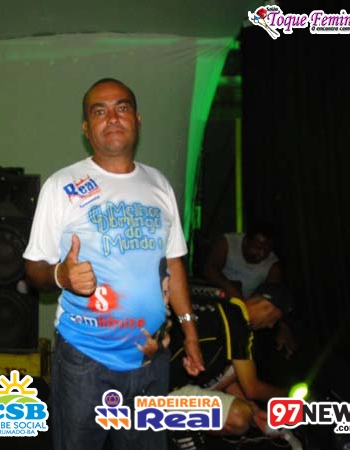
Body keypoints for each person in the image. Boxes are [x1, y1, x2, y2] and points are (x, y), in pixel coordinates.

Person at [23, 78, 204, 450]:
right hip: (85, 361)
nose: (112, 118)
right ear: (86, 128)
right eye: (99, 111)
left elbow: (173, 264)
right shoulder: (61, 185)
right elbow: (33, 268)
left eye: (122, 108)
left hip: (151, 358)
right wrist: (61, 275)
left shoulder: (159, 184)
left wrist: (190, 333)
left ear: (137, 119)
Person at [166, 282, 294, 448]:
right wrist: (289, 395)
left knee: (236, 370)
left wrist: (255, 412)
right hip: (160, 390)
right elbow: (252, 388)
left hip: (150, 374)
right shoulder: (239, 321)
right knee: (240, 417)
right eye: (275, 319)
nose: (270, 326)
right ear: (267, 305)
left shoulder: (221, 304)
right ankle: (174, 424)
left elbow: (227, 378)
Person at [202, 222, 296, 358]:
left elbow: (276, 299)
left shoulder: (272, 265)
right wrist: (232, 290)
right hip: (215, 303)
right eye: (257, 248)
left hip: (246, 314)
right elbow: (210, 270)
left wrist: (283, 327)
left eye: (266, 250)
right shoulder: (228, 242)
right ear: (246, 241)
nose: (261, 254)